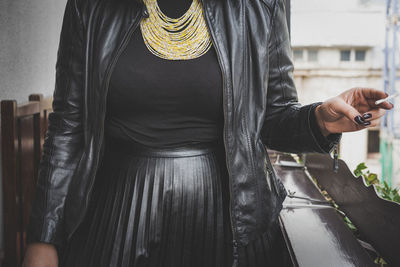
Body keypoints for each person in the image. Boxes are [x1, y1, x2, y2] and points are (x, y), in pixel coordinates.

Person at [22, 0, 394, 266]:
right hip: (114, 212)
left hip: (229, 217)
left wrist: (320, 120)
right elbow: (69, 125)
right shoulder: (91, 7)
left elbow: (273, 117)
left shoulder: (260, 6)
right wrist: (43, 236)